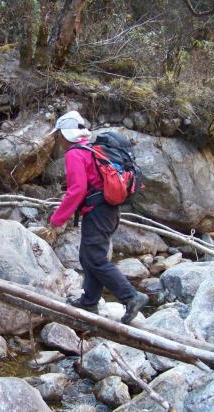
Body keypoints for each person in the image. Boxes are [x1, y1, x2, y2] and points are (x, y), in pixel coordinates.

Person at [48, 111, 148, 324]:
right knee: (88, 256)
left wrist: (57, 219)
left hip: (98, 212)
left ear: (66, 135)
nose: (57, 140)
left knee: (95, 258)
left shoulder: (75, 154)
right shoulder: (90, 150)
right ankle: (89, 301)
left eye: (58, 136)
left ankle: (131, 297)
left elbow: (76, 190)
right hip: (108, 212)